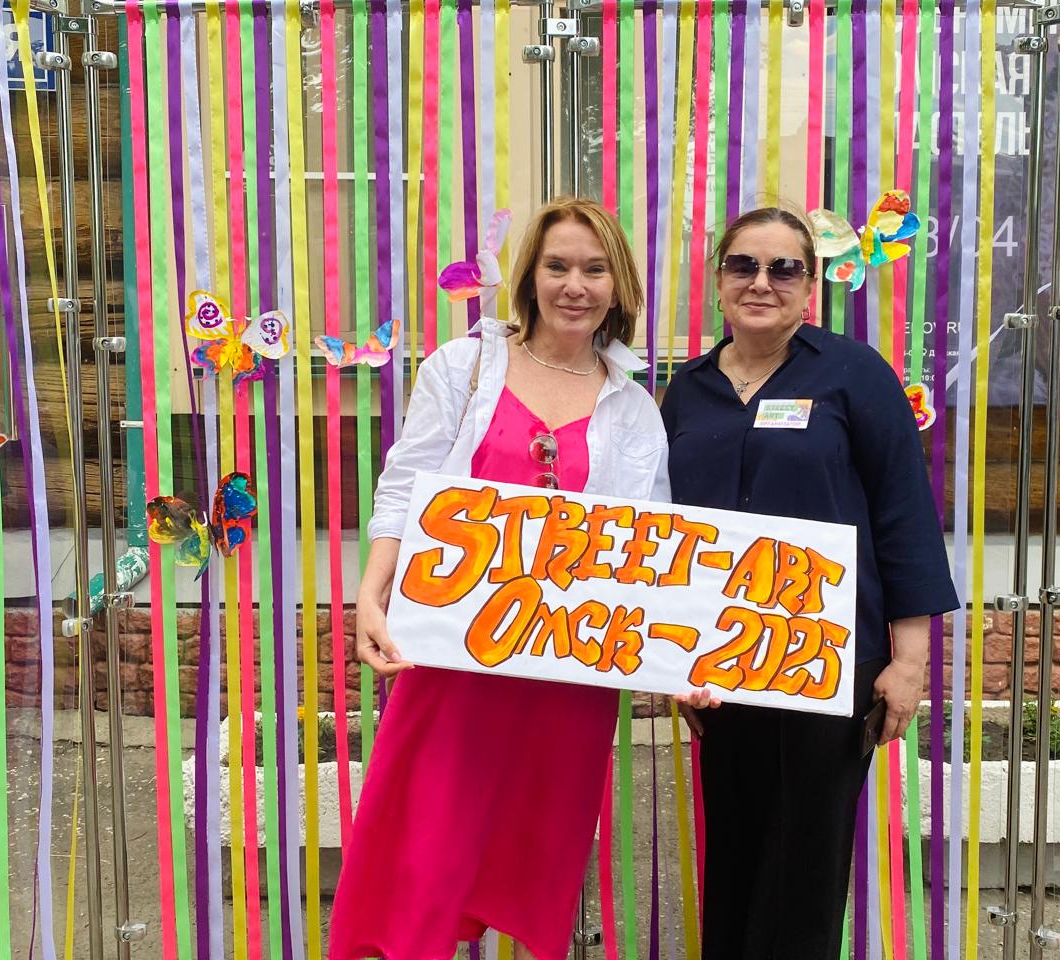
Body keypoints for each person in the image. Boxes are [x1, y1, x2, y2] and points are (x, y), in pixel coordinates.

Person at [328, 197, 669, 960]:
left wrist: (684, 661)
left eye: (594, 269)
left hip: (565, 675)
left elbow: (649, 547)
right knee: (421, 848)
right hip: (454, 659)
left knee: (528, 850)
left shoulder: (636, 408)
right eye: (557, 266)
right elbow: (406, 485)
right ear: (529, 276)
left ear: (618, 284)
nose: (574, 285)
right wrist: (371, 595)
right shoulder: (465, 367)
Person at [662, 207, 958, 960]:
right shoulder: (687, 390)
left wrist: (910, 661)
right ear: (718, 280)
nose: (761, 283)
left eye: (783, 268)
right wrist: (667, 658)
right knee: (734, 843)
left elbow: (903, 513)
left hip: (830, 659)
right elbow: (664, 529)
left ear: (811, 285)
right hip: (721, 661)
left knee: (806, 859)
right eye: (743, 266)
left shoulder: (854, 374)